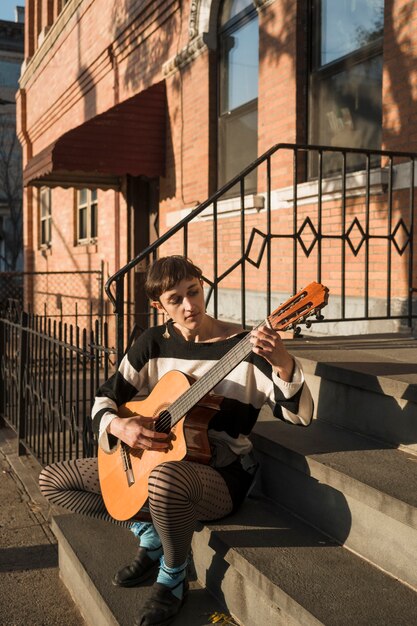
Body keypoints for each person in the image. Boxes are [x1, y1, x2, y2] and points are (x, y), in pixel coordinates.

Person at [39, 255, 313, 626]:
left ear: (203, 286)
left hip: (219, 473)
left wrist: (282, 361)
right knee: (53, 480)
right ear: (158, 306)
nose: (189, 305)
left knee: (164, 479)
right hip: (154, 461)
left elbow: (299, 416)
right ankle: (150, 532)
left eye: (194, 292)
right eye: (175, 299)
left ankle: (172, 575)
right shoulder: (153, 343)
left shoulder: (247, 348)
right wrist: (122, 427)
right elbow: (104, 398)